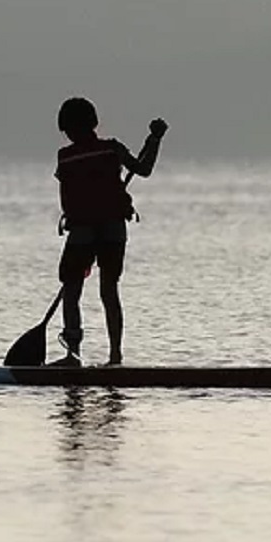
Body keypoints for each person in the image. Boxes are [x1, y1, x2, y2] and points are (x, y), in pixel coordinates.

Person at [50, 97, 167, 368]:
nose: (67, 134)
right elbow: (144, 169)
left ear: (68, 128)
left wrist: (154, 139)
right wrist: (155, 140)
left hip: (84, 233)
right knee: (108, 291)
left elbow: (65, 200)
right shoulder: (112, 149)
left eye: (67, 128)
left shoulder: (66, 156)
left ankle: (74, 356)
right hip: (112, 230)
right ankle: (114, 357)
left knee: (72, 290)